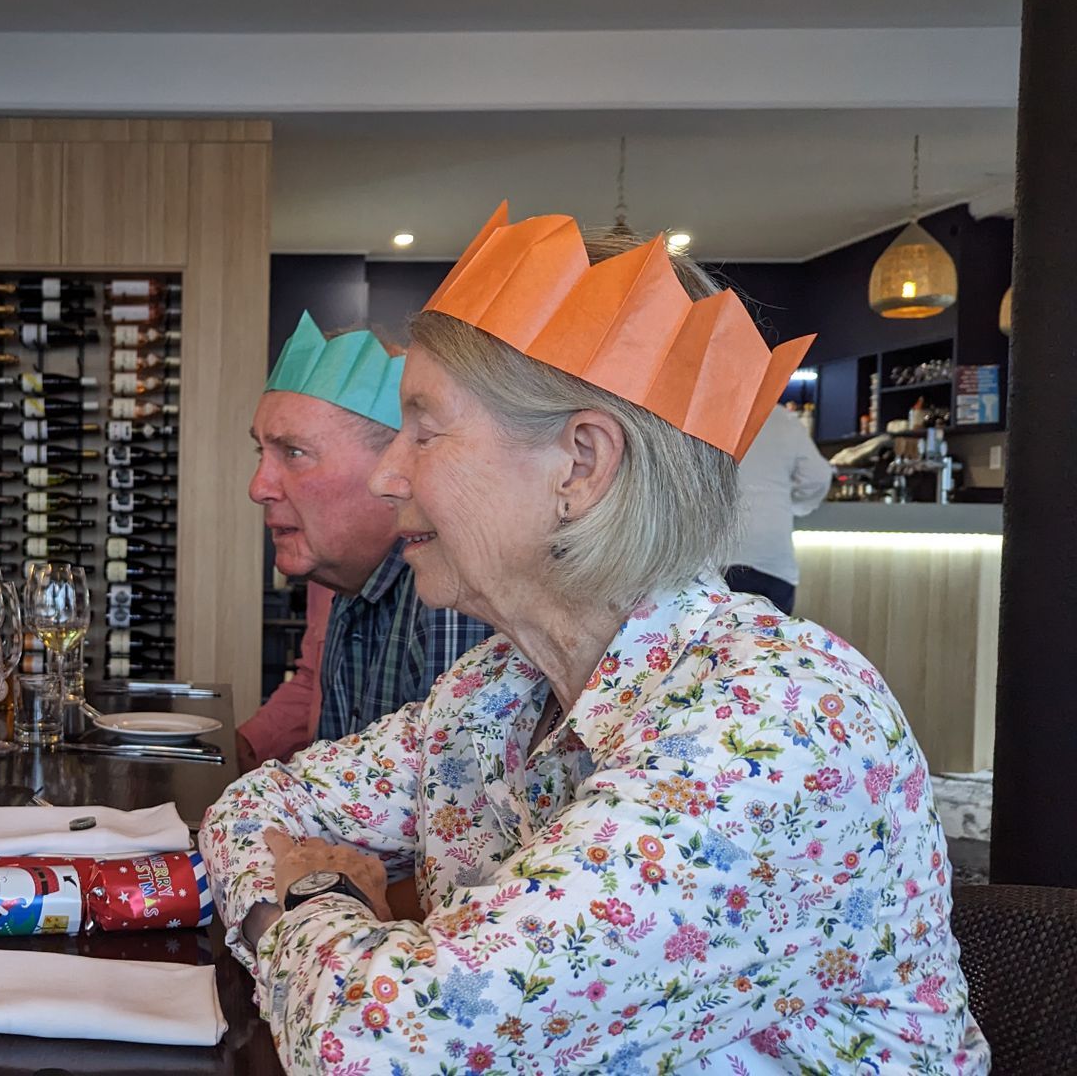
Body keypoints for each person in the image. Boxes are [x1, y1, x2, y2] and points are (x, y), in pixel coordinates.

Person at [201, 205, 986, 1074]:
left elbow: (379, 1046)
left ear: (581, 463)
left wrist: (309, 897)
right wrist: (342, 945)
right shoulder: (495, 689)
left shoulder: (779, 722)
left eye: (424, 431)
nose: (389, 476)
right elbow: (253, 806)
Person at [238, 313, 491, 768]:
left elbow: (446, 804)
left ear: (395, 466)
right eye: (263, 452)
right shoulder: (349, 586)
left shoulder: (447, 601)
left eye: (294, 452)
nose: (259, 488)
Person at [726, 404, 833, 613]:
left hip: (710, 559)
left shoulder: (704, 416)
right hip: (771, 557)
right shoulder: (784, 419)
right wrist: (794, 506)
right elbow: (818, 477)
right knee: (772, 633)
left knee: (705, 634)